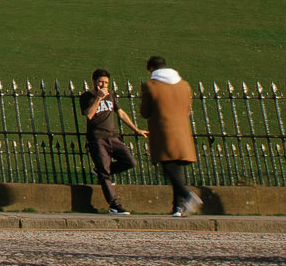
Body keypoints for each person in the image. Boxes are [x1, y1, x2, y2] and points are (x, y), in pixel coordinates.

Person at [139, 54, 201, 217]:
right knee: (176, 169)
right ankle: (177, 207)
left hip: (163, 132)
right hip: (182, 133)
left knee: (168, 168)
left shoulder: (150, 86)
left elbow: (144, 112)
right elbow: (187, 110)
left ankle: (187, 196)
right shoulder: (184, 85)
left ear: (151, 69)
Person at [80, 68, 134, 215]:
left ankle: (99, 171)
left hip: (113, 136)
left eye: (106, 83)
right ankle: (114, 205)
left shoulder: (111, 96)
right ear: (94, 82)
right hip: (97, 138)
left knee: (129, 162)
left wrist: (136, 129)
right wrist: (98, 97)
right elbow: (89, 115)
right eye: (100, 82)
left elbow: (120, 113)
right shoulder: (86, 97)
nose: (103, 85)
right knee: (105, 174)